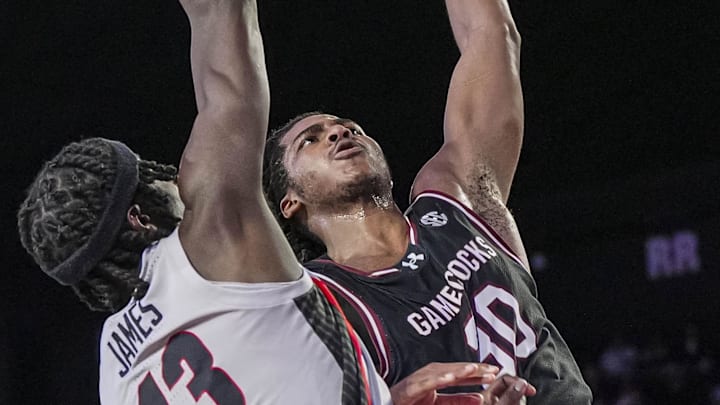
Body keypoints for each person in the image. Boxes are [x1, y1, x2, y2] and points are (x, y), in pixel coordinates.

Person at [16, 0, 513, 404]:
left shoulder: (114, 375)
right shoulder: (217, 247)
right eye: (309, 140)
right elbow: (222, 54)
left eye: (339, 125)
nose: (339, 132)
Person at [262, 0, 593, 404]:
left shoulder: (457, 196)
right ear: (289, 201)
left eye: (349, 127)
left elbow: (491, 35)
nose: (338, 134)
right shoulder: (316, 301)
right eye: (309, 140)